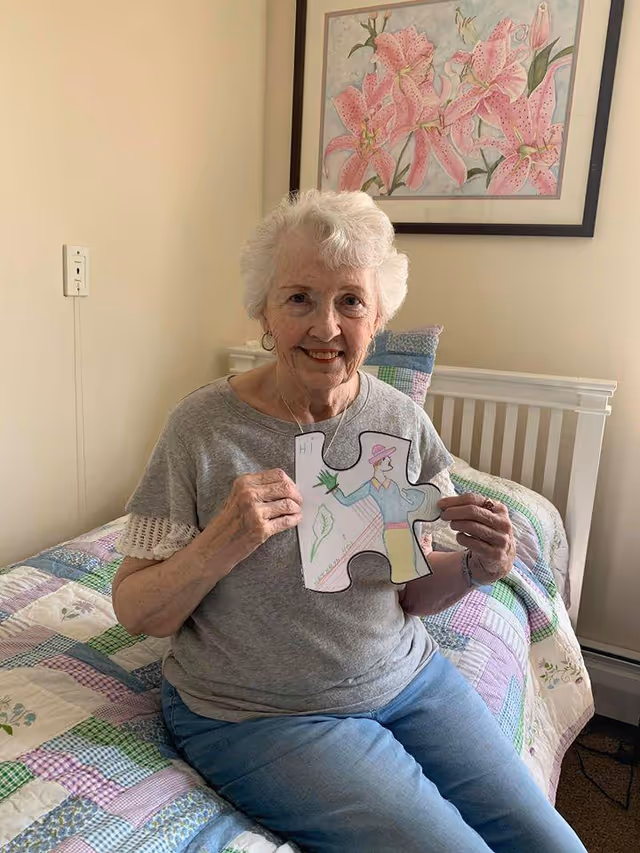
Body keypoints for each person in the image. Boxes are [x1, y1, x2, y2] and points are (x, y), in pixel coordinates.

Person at [113, 190, 585, 853]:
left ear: (380, 315)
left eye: (350, 301)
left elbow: (414, 593)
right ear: (264, 315)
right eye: (299, 298)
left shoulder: (399, 422)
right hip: (258, 714)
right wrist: (219, 545)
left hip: (407, 677)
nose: (326, 326)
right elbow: (135, 608)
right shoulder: (202, 428)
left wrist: (478, 567)